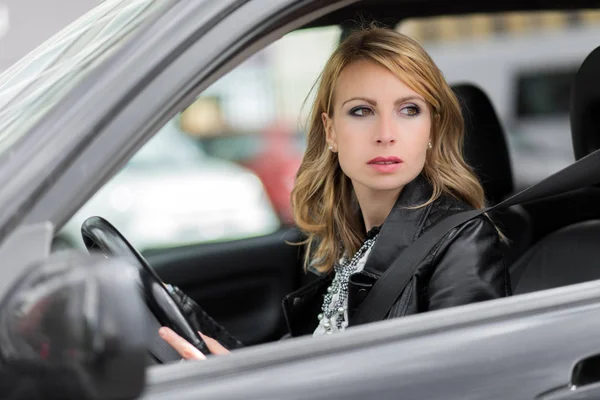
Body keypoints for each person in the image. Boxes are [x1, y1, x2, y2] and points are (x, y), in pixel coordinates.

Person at [158, 27, 511, 359]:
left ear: (432, 129)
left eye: (409, 110)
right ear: (330, 132)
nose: (385, 132)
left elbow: (464, 383)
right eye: (362, 111)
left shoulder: (462, 242)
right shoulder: (349, 246)